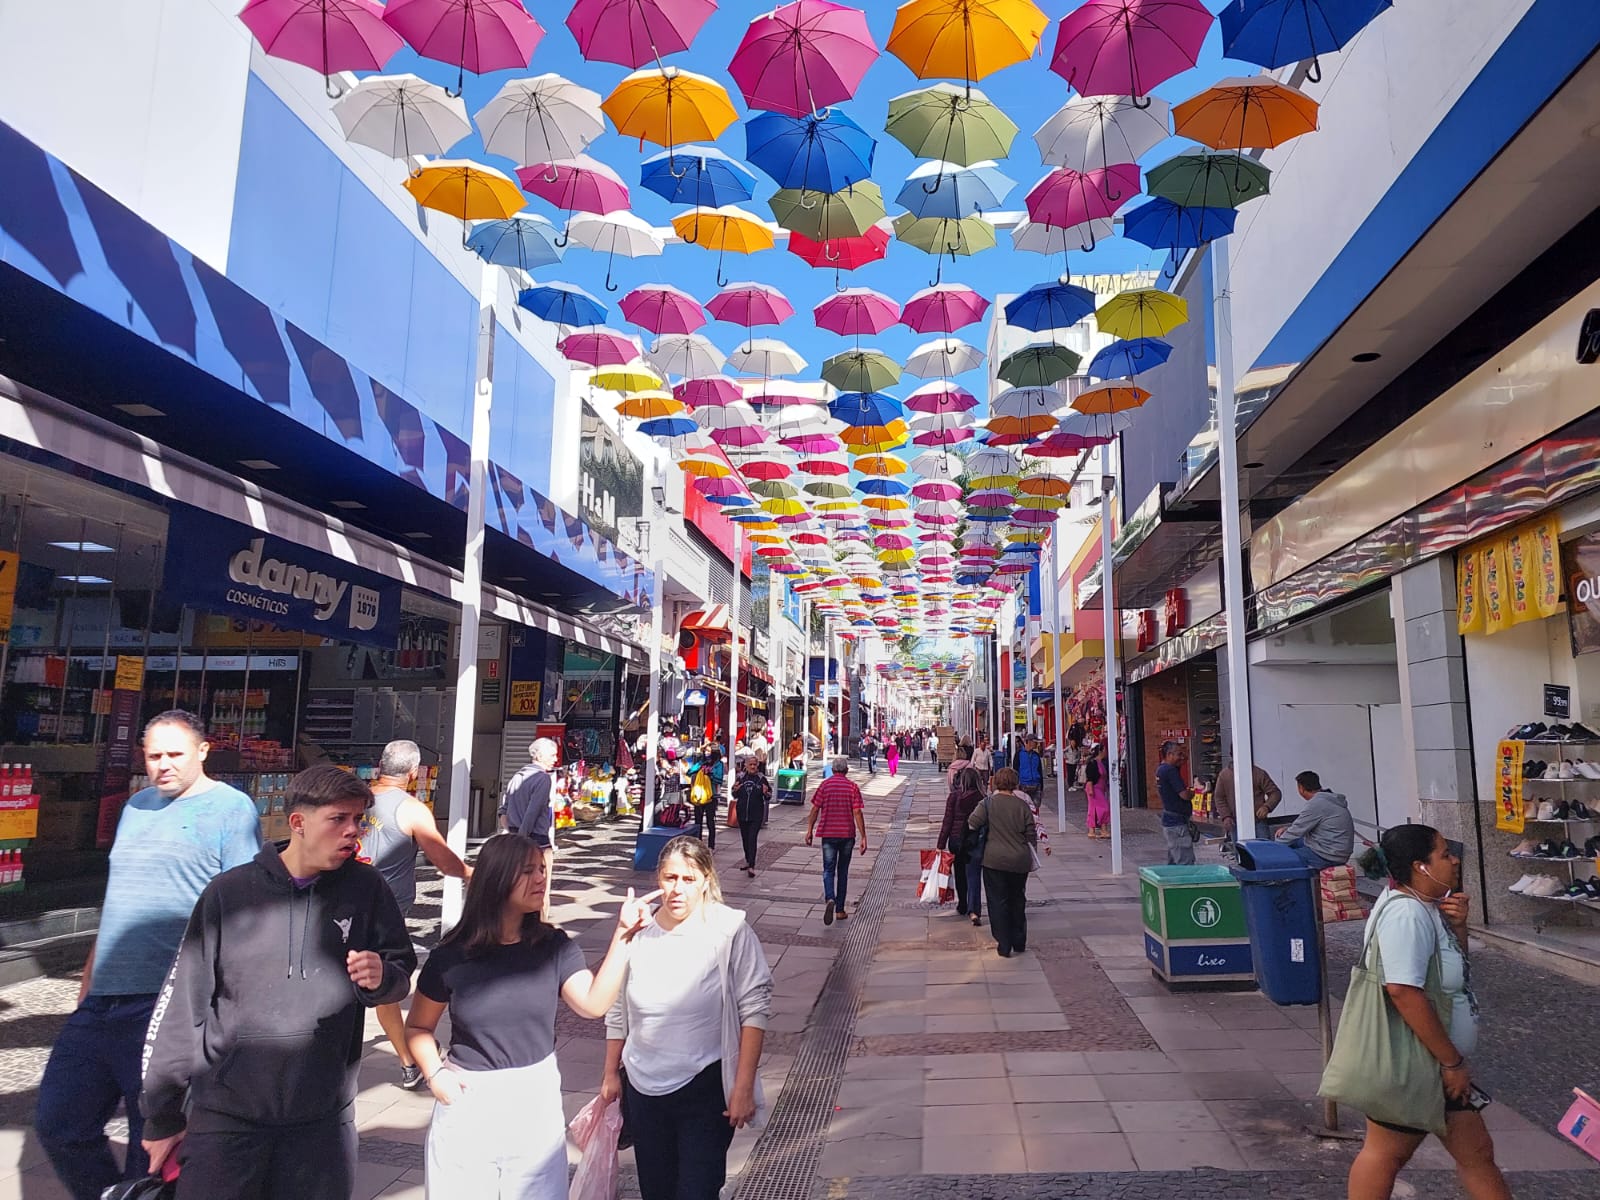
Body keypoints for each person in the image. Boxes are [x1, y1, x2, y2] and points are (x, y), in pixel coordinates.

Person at [139, 765, 416, 1199]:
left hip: (323, 1120)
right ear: (299, 822)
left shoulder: (367, 887)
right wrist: (162, 1115)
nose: (353, 831)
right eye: (338, 819)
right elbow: (183, 1007)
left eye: (358, 820)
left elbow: (400, 968)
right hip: (228, 1118)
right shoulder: (228, 894)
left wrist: (382, 979)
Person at [36, 711, 262, 1200]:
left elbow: (243, 908)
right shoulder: (135, 806)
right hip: (102, 1000)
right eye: (153, 755)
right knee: (59, 1122)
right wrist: (89, 980)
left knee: (154, 1144)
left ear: (203, 751)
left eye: (174, 754)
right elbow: (119, 898)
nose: (162, 765)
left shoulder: (232, 808)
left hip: (167, 1002)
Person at [405, 833, 652, 1199]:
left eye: (542, 869)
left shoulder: (552, 946)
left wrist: (623, 935)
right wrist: (434, 1073)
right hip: (468, 1096)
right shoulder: (452, 956)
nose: (541, 879)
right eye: (528, 871)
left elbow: (593, 1004)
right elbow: (418, 1026)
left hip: (533, 1097)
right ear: (497, 877)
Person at [601, 837, 773, 1200]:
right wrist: (609, 1074)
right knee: (657, 1189)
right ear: (658, 880)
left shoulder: (729, 930)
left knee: (698, 1189)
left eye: (688, 879)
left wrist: (742, 1088)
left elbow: (754, 1008)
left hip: (704, 1088)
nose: (677, 889)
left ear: (707, 880)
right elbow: (616, 1008)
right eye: (669, 878)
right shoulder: (638, 930)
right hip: (644, 1088)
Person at [1342, 825, 1508, 1200]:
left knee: (1476, 1154)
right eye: (1445, 854)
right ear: (1421, 866)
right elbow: (1402, 990)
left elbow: (1452, 970)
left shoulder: (1425, 906)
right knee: (1384, 1154)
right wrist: (1451, 1062)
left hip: (1432, 1064)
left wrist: (1459, 926)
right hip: (1419, 1063)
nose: (1454, 861)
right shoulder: (1406, 914)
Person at [358, 739, 474, 1091]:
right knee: (383, 982)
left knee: (363, 978)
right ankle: (409, 1061)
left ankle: (407, 1059)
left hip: (343, 900)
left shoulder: (356, 798)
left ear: (380, 765)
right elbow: (442, 858)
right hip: (386, 909)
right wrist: (471, 874)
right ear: (413, 772)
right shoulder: (411, 808)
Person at [968, 767, 1037, 958]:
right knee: (1017, 899)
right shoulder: (1022, 805)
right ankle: (1019, 939)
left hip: (994, 860)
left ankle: (1004, 943)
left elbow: (972, 823)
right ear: (1015, 783)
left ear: (996, 782)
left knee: (997, 901)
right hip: (1019, 860)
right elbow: (1031, 832)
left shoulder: (987, 804)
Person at [805, 757, 867, 926]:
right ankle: (839, 910)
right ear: (846, 771)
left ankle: (830, 897)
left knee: (828, 869)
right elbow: (857, 813)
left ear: (833, 770)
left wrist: (809, 829)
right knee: (843, 871)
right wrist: (863, 836)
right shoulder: (852, 787)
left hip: (828, 834)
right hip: (847, 835)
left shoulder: (825, 786)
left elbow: (815, 808)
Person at [938, 766, 987, 926]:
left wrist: (940, 844)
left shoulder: (954, 797)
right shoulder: (982, 797)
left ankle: (963, 903)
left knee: (959, 872)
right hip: (975, 840)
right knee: (973, 874)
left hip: (956, 840)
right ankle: (973, 907)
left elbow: (947, 821)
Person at [1278, 771, 1356, 869]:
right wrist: (1287, 829)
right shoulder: (1329, 798)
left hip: (1328, 856)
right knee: (1294, 842)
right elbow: (1302, 825)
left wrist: (1274, 847)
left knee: (1283, 857)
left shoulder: (1317, 803)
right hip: (1338, 851)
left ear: (1301, 788)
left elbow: (1297, 831)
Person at [501, 737, 559, 847]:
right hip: (535, 837)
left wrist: (509, 832)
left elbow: (503, 810)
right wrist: (522, 837)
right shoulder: (543, 778)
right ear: (540, 756)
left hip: (514, 833)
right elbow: (534, 810)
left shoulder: (516, 776)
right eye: (552, 755)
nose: (555, 759)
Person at [1211, 761, 1284, 843]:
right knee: (1240, 852)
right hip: (1234, 822)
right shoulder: (1224, 775)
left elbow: (1275, 793)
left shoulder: (1258, 773)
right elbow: (1219, 797)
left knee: (1263, 850)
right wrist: (1226, 816)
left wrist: (1267, 807)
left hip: (1258, 821)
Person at [1156, 741, 1196, 865]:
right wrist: (1192, 792)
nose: (1182, 757)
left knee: (1174, 859)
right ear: (1169, 754)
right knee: (1185, 860)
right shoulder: (1170, 771)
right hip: (1177, 822)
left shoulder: (1161, 770)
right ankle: (1187, 884)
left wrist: (1183, 759)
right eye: (1179, 754)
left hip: (1170, 818)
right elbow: (1183, 794)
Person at [733, 757, 770, 879]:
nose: (753, 767)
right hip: (742, 813)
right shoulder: (741, 778)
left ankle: (752, 866)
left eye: (755, 764)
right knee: (745, 839)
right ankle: (748, 860)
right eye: (750, 764)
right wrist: (735, 790)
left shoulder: (761, 779)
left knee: (752, 838)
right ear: (746, 765)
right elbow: (734, 793)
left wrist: (765, 793)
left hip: (756, 814)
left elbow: (768, 795)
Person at [689, 747, 725, 848]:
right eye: (705, 751)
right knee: (698, 821)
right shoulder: (701, 762)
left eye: (709, 751)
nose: (706, 753)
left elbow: (719, 779)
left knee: (710, 821)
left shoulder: (718, 764)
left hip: (711, 796)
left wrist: (710, 774)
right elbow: (689, 772)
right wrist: (699, 768)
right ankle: (698, 843)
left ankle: (711, 845)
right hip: (699, 795)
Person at [1085, 745, 1111, 839]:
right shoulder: (1093, 763)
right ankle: (1097, 829)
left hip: (1100, 788)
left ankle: (1098, 829)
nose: (1106, 752)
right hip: (1094, 788)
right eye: (1104, 750)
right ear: (1100, 751)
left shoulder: (1102, 763)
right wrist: (1091, 789)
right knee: (1103, 807)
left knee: (1096, 808)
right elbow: (1090, 777)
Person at [1015, 735, 1045, 805]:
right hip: (1023, 785)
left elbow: (1040, 771)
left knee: (1036, 807)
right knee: (1024, 808)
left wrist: (1041, 788)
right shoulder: (1019, 754)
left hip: (1036, 784)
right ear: (1028, 742)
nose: (1036, 744)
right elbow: (1015, 770)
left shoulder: (1036, 755)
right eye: (1035, 742)